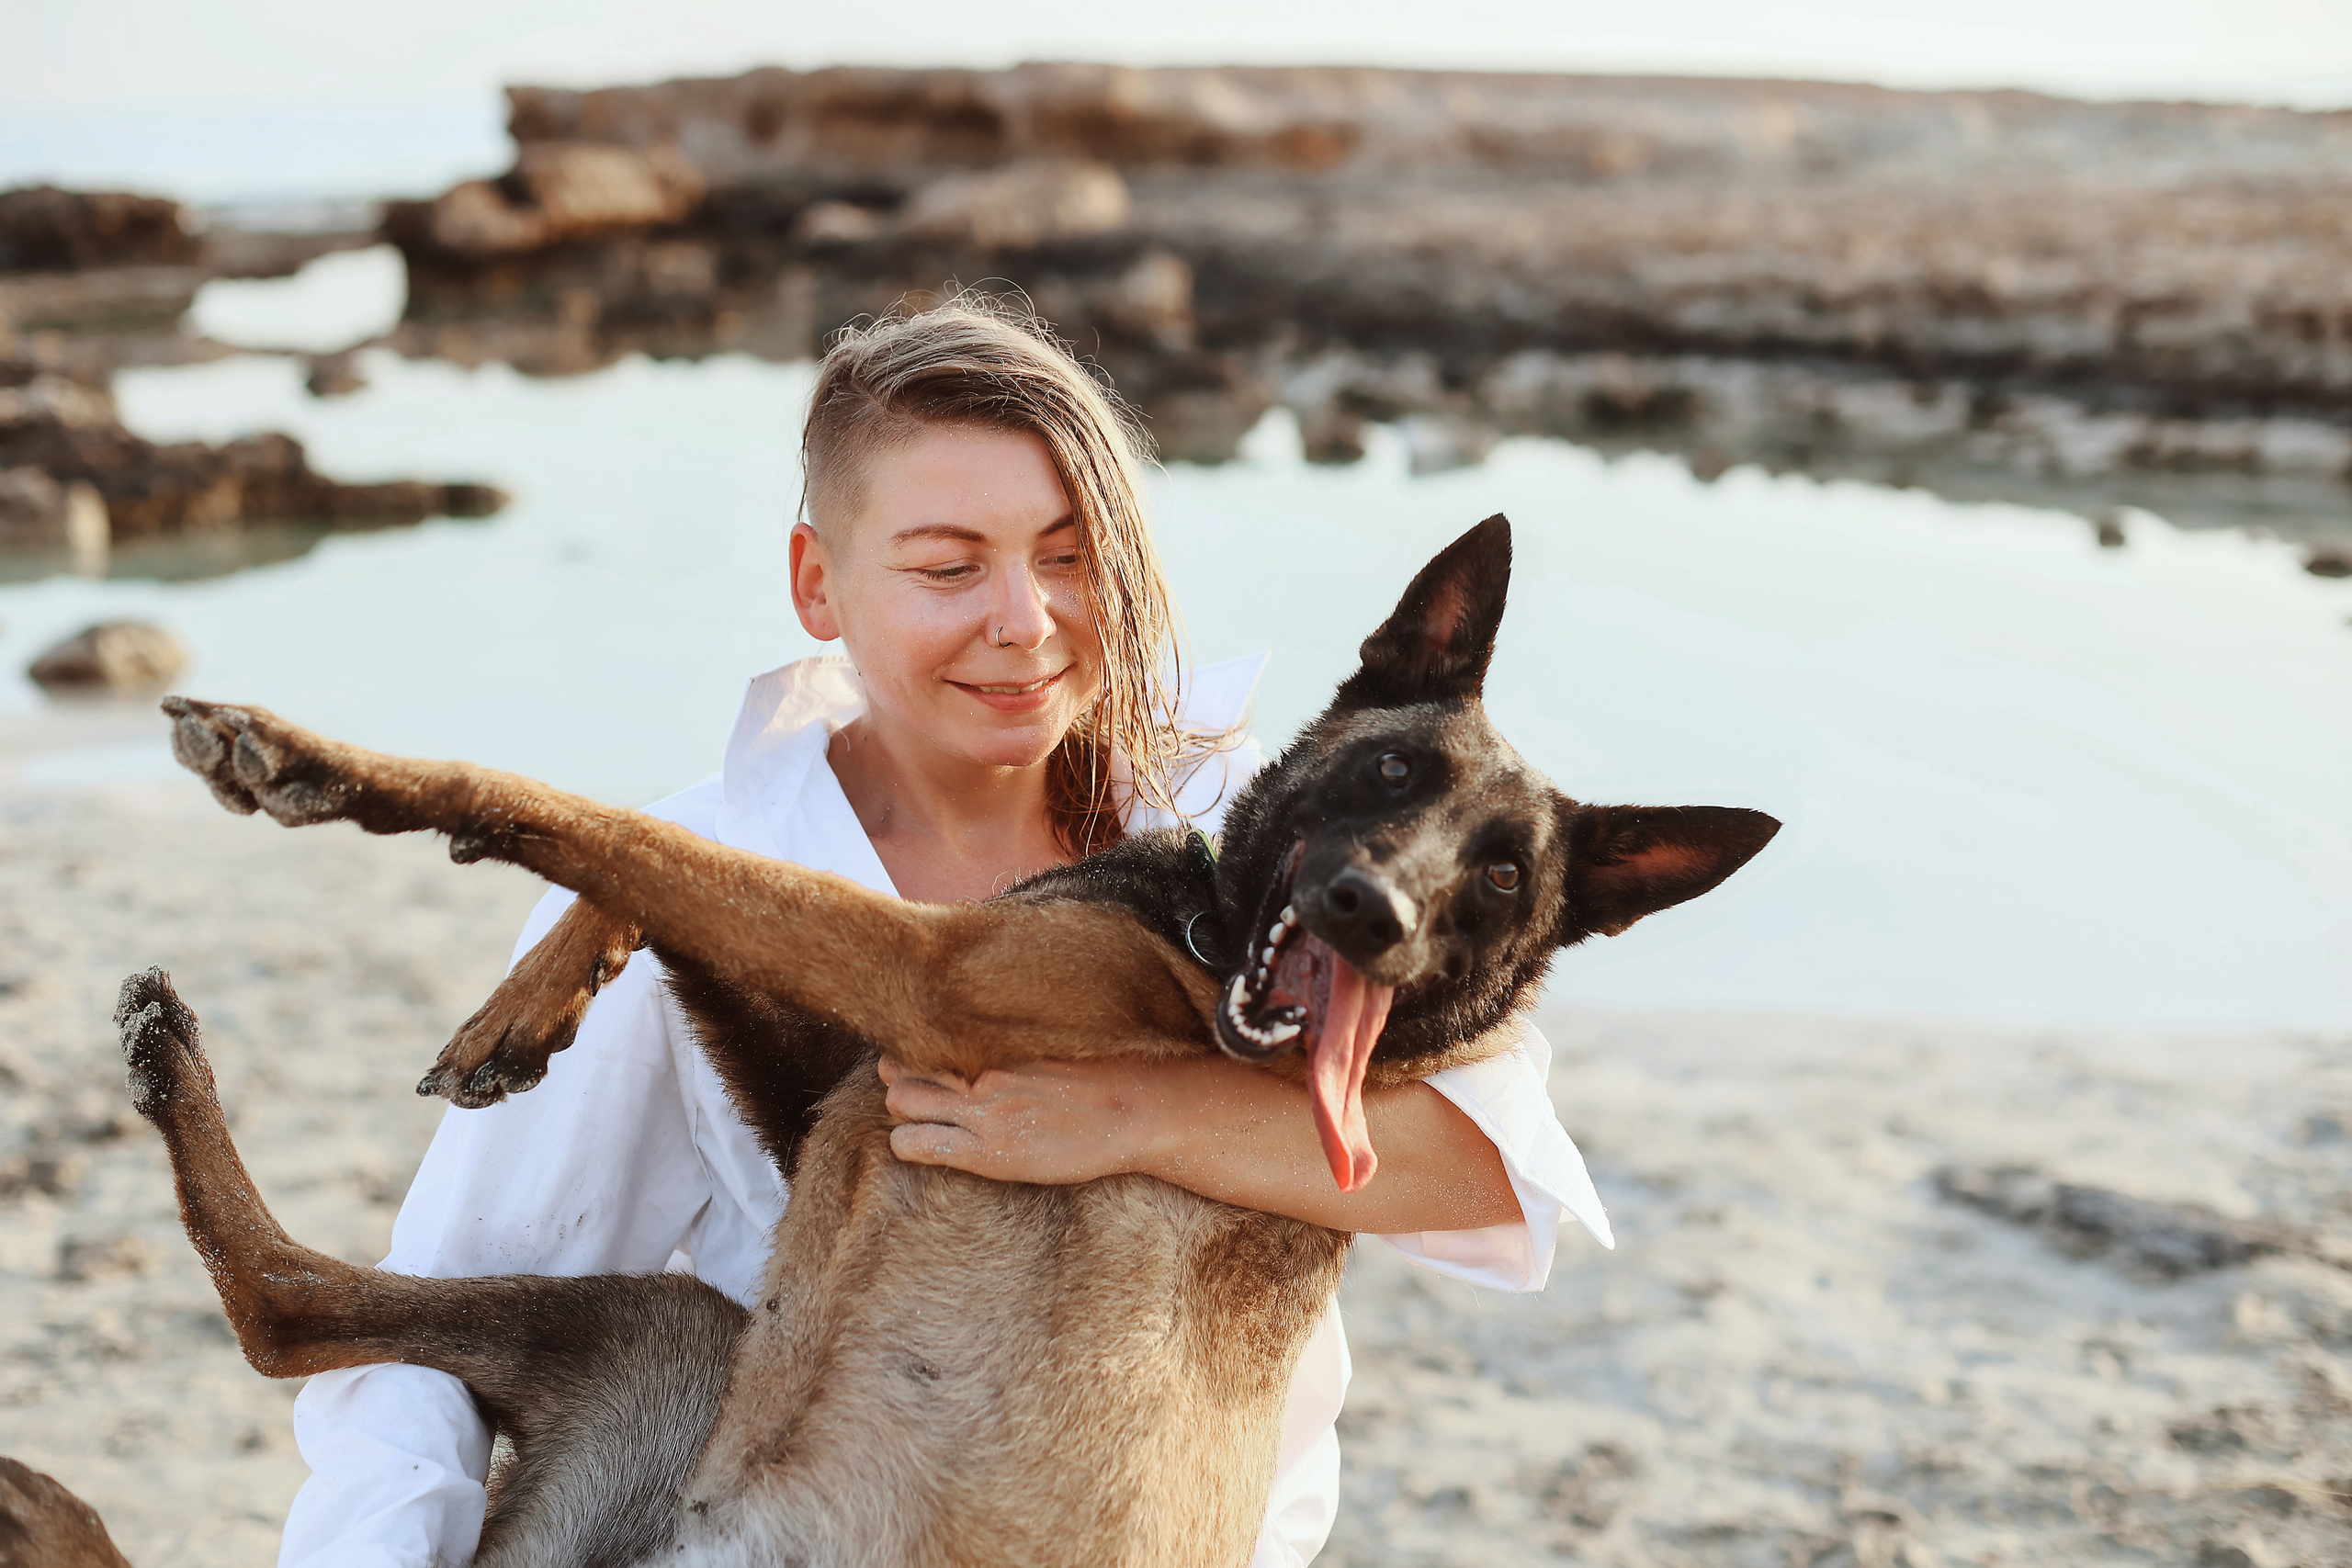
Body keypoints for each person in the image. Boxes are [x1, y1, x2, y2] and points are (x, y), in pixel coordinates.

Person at [277, 299, 1612, 1568]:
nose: (1023, 623)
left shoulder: (1242, 832)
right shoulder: (697, 876)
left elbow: (1498, 1176)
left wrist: (1127, 1121)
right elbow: (445, 1313)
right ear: (820, 584)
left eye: (1070, 555)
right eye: (945, 567)